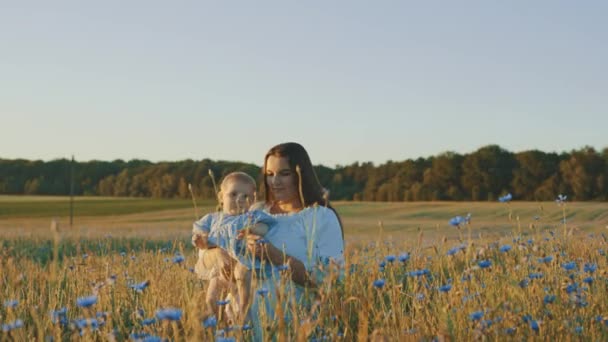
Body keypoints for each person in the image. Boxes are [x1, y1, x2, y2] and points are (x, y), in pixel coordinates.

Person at [240, 142, 345, 339]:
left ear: (300, 174)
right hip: (253, 325)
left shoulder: (321, 217)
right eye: (270, 174)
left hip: (299, 327)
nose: (275, 181)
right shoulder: (256, 211)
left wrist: (276, 257)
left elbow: (330, 282)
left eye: (284, 173)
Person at [192, 171, 276, 322]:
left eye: (246, 196)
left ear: (253, 199)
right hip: (220, 270)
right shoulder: (212, 219)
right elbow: (198, 230)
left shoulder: (251, 217)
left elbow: (265, 226)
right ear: (221, 197)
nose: (240, 200)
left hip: (244, 263)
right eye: (233, 194)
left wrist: (252, 229)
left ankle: (244, 311)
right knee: (211, 296)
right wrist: (201, 239)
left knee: (242, 273)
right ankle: (216, 319)